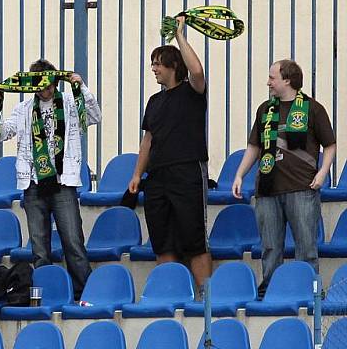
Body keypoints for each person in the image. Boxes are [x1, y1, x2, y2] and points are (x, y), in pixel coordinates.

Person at [0, 59, 101, 301]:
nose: (46, 89)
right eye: (39, 84)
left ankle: (85, 293)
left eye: (49, 83)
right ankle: (46, 295)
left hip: (63, 182)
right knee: (39, 248)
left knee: (73, 241)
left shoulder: (71, 102)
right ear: (31, 85)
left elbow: (94, 116)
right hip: (33, 183)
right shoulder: (22, 109)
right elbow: (0, 134)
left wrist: (81, 86)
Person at [232, 59, 335, 297]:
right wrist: (239, 175)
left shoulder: (313, 108)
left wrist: (322, 173)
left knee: (306, 246)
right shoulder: (265, 110)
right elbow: (253, 147)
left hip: (301, 187)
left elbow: (330, 145)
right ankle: (270, 291)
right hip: (268, 188)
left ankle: (310, 291)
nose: (268, 82)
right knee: (269, 247)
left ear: (287, 80)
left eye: (272, 77)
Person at [128, 16, 212, 293]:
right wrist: (137, 174)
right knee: (162, 240)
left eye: (157, 64)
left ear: (172, 66)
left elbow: (197, 71)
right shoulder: (154, 101)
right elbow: (148, 140)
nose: (153, 69)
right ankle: (168, 293)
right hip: (158, 177)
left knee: (194, 239)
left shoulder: (192, 91)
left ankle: (205, 298)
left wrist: (179, 35)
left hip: (187, 171)